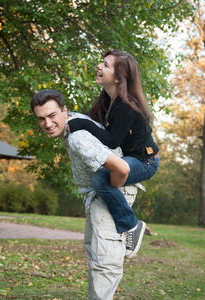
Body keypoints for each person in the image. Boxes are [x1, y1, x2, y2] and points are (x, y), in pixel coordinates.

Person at [31, 89, 144, 300]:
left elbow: (122, 168)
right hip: (97, 195)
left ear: (64, 111)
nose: (47, 124)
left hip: (109, 192)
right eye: (41, 119)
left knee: (105, 264)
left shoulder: (77, 138)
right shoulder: (74, 120)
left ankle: (132, 225)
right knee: (96, 258)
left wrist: (111, 194)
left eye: (52, 116)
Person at [67, 50, 160, 247]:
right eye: (102, 63)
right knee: (102, 177)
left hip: (145, 161)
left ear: (118, 78)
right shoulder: (108, 100)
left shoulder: (126, 106)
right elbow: (91, 120)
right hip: (131, 157)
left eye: (106, 65)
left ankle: (131, 225)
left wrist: (81, 125)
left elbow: (111, 141)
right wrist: (66, 117)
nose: (99, 67)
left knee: (100, 179)